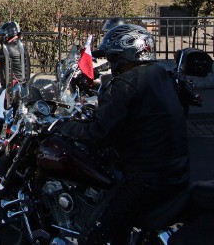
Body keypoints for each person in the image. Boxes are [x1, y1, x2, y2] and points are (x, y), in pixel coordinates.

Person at [56, 24, 190, 244]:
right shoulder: (161, 75)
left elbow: (98, 135)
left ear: (124, 54)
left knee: (96, 236)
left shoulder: (124, 84)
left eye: (113, 56)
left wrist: (66, 127)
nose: (111, 62)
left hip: (144, 179)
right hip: (177, 170)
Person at [0, 21, 31, 118]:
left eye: (2, 35)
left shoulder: (9, 48)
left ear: (8, 34)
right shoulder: (19, 46)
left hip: (12, 87)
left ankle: (0, 132)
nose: (1, 37)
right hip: (16, 86)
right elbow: (7, 70)